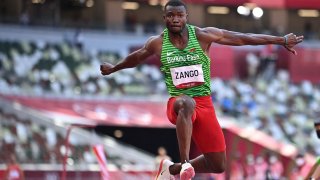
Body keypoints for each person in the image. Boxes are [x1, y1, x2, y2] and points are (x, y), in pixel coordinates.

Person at [100, 1, 303, 179]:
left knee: (218, 164)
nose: (175, 19)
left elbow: (242, 38)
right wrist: (114, 68)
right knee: (187, 102)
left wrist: (281, 40)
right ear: (164, 18)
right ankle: (185, 162)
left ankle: (171, 170)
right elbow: (136, 57)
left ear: (186, 17)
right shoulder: (158, 43)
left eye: (180, 15)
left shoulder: (203, 36)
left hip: (204, 104)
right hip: (178, 103)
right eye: (170, 15)